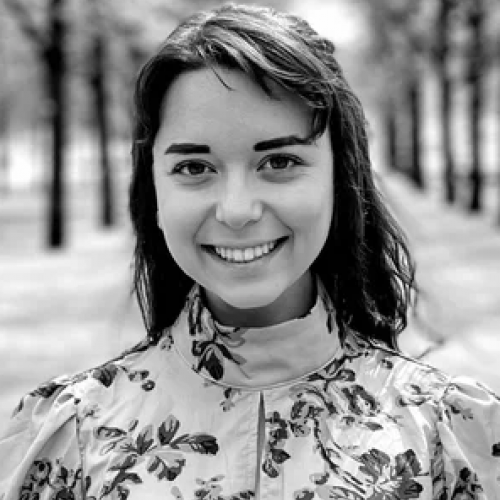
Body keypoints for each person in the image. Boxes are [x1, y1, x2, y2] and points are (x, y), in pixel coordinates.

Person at [1, 3, 499, 499]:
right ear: (154, 194)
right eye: (194, 168)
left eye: (279, 161)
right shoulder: (71, 440)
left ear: (340, 179)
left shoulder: (447, 440)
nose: (236, 210)